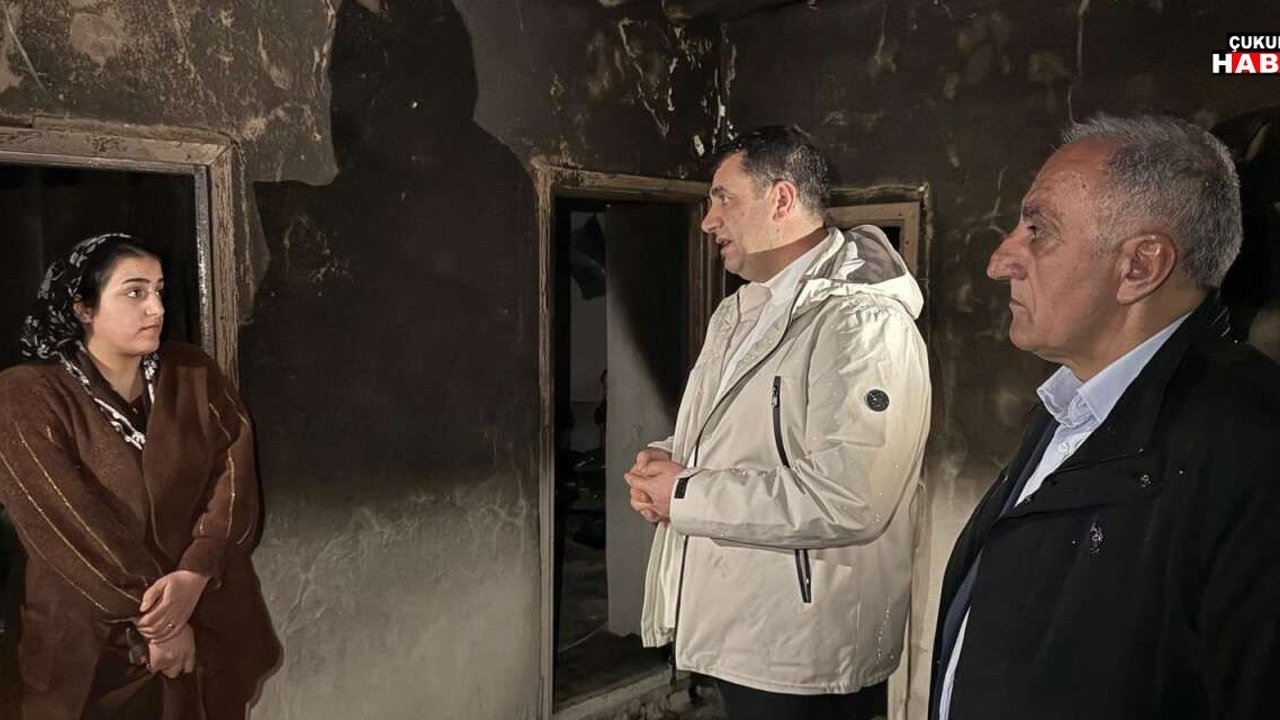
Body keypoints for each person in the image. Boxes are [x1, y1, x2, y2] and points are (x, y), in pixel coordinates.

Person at [931, 115, 1280, 719]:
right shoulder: (1071, 405)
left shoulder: (1251, 451)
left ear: (1140, 267)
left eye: (1037, 230)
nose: (1000, 260)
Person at [625, 126, 931, 720]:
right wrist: (668, 458)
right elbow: (742, 439)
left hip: (805, 653)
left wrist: (683, 494)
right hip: (747, 627)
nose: (708, 221)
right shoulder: (742, 310)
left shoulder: (862, 324)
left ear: (782, 199)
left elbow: (851, 496)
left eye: (724, 199)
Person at [0, 234, 279, 719]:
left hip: (206, 622)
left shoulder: (192, 372)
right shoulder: (26, 394)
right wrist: (161, 625)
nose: (156, 308)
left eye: (159, 290)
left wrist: (196, 572)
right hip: (89, 649)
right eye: (135, 292)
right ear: (84, 308)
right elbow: (66, 522)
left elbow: (233, 479)